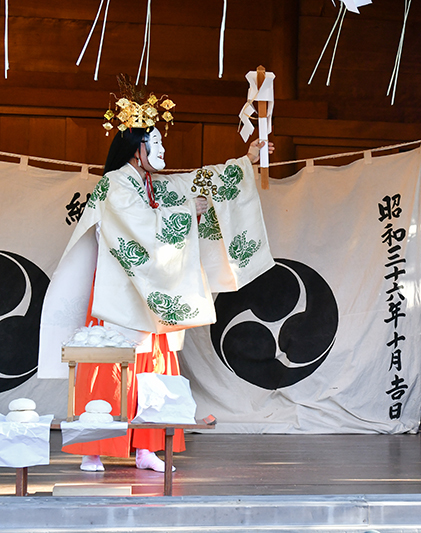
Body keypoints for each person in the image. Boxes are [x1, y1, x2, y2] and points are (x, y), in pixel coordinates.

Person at [39, 92, 275, 472]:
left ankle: (148, 447)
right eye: (156, 142)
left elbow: (193, 182)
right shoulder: (117, 184)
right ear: (136, 150)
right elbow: (139, 227)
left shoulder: (151, 183)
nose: (162, 149)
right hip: (118, 296)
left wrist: (244, 162)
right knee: (109, 367)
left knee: (155, 370)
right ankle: (93, 449)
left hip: (150, 296)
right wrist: (185, 211)